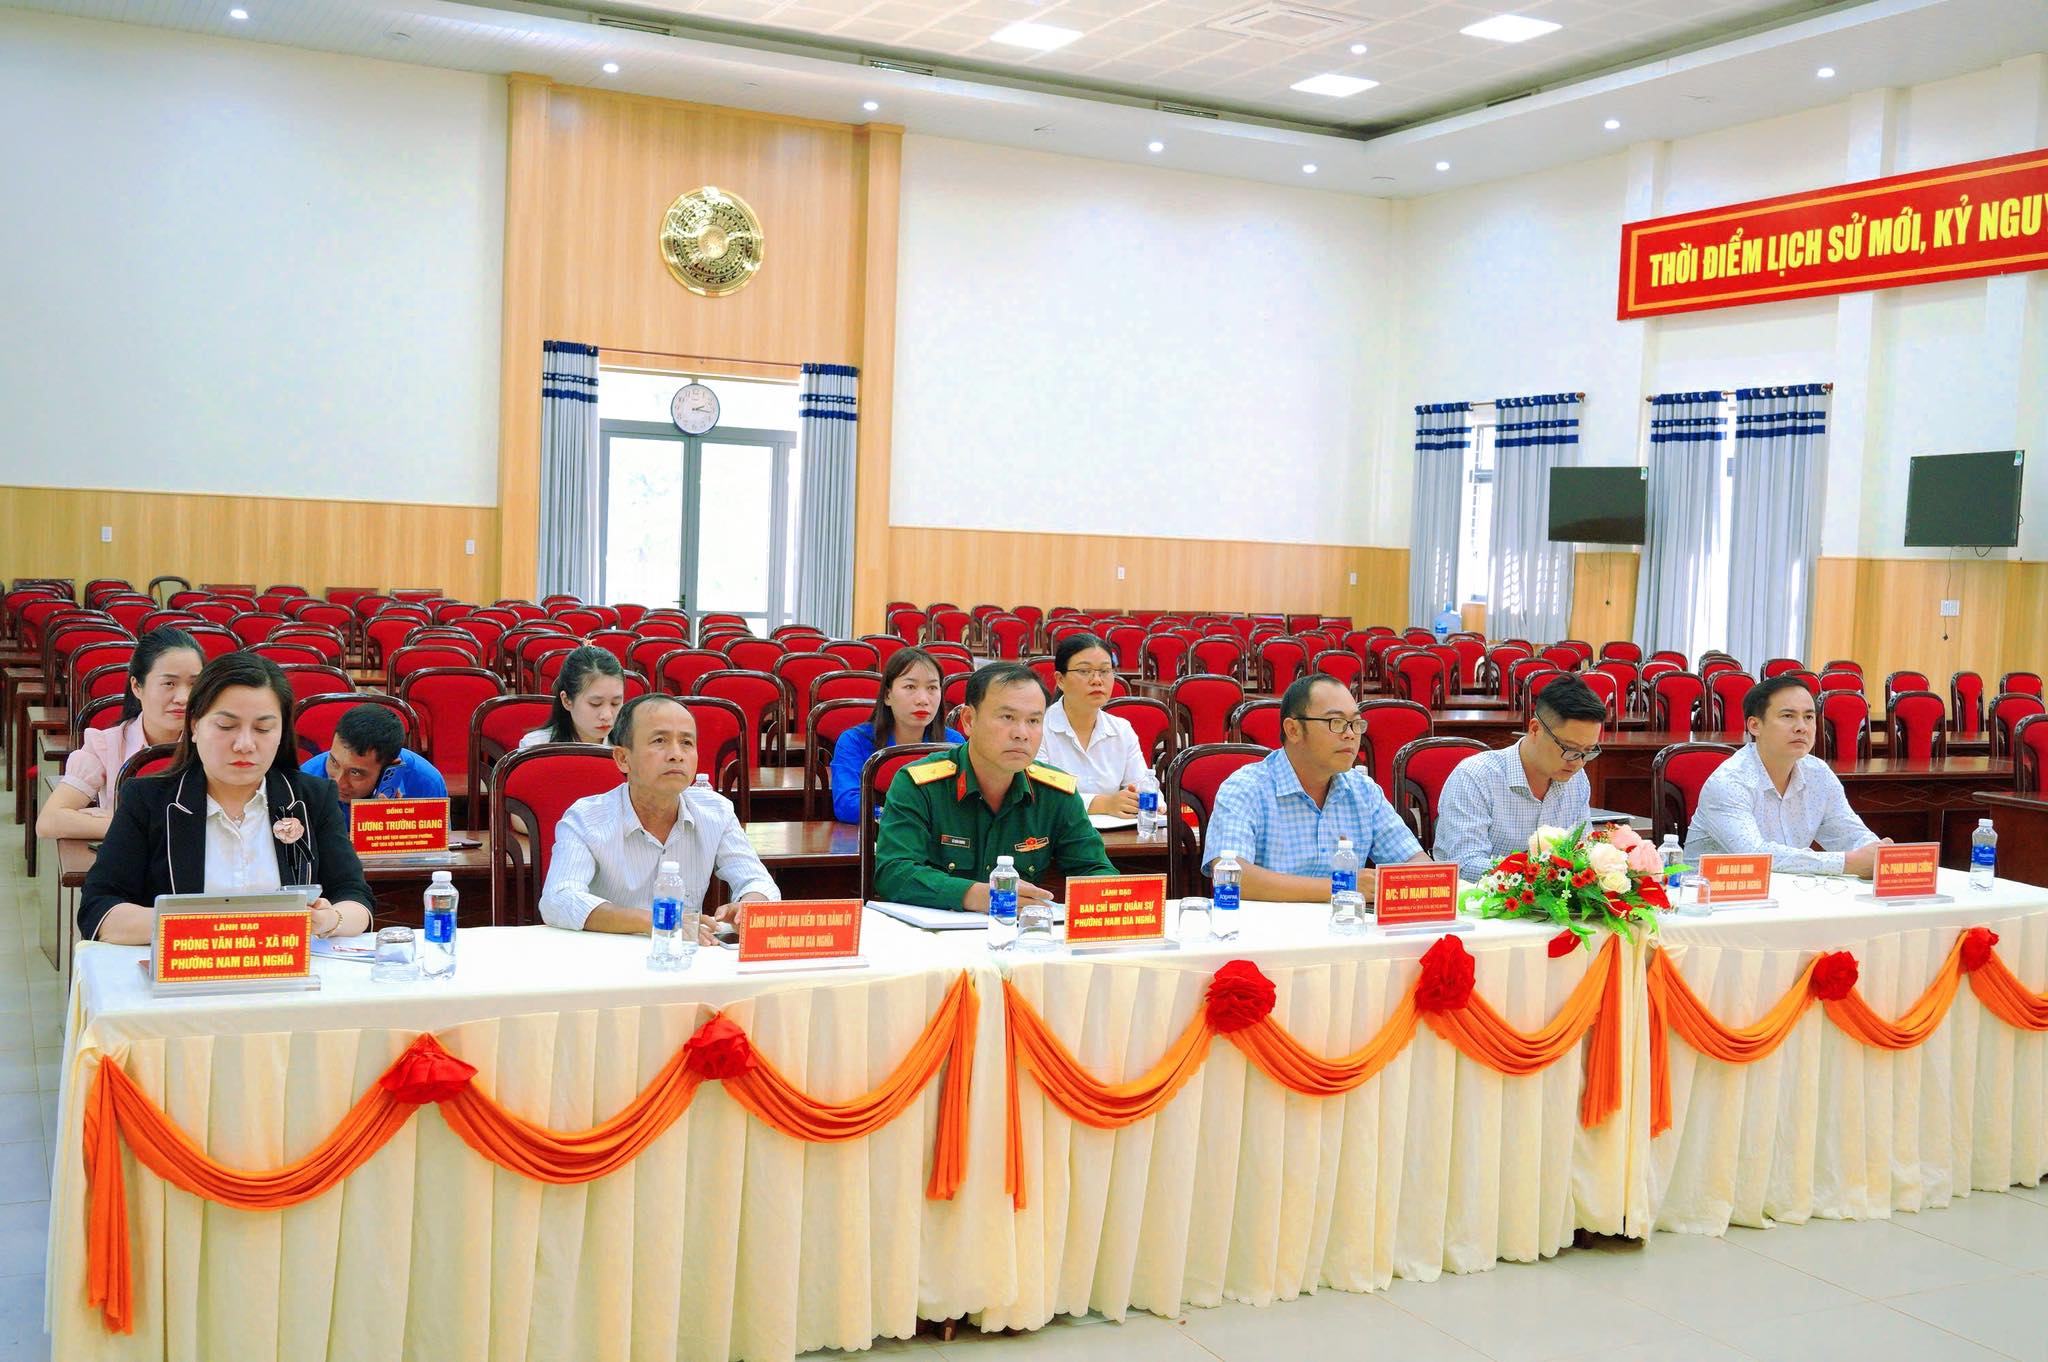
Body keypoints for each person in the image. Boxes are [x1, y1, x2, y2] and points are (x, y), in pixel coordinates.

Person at [78, 652, 374, 945]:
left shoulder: (312, 798)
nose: (244, 744)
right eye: (226, 726)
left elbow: (355, 897)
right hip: (184, 969)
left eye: (263, 729)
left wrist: (329, 920)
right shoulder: (147, 800)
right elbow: (99, 908)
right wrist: (207, 925)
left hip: (286, 968)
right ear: (195, 725)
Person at [873, 661, 1118, 912]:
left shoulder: (1056, 793)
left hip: (1022, 932)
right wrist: (976, 896)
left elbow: (1095, 869)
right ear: (969, 720)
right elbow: (894, 872)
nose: (1021, 733)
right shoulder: (918, 785)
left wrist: (1105, 896)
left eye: (1034, 721)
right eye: (1007, 717)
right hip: (934, 932)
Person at [538, 693, 779, 933]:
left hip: (683, 953)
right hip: (608, 952)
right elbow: (558, 899)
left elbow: (758, 881)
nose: (676, 754)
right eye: (659, 740)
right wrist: (657, 920)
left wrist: (749, 904)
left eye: (687, 743)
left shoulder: (716, 811)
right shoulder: (586, 818)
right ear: (623, 759)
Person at [1204, 674, 1430, 902]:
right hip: (1270, 925)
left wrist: (1422, 879)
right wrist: (1341, 887)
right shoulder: (1245, 788)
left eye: (1356, 724)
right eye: (1336, 722)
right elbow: (1232, 876)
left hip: (1347, 923)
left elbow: (1418, 866)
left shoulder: (1364, 792)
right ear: (1293, 730)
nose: (1350, 734)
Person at [1686, 674, 1887, 877]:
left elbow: (1849, 832)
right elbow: (1754, 855)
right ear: (1755, 726)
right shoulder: (1729, 783)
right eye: (1788, 716)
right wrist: (1848, 863)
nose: (1801, 727)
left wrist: (1877, 853)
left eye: (1808, 717)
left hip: (1786, 890)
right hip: (1712, 891)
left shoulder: (1819, 774)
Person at [1434, 673, 1606, 882]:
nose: (1578, 762)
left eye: (1588, 751)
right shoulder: (1475, 777)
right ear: (1535, 729)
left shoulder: (1577, 780)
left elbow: (1583, 853)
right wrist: (1538, 875)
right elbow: (1465, 866)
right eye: (1569, 749)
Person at [37, 626, 203, 841]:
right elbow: (49, 821)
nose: (183, 697)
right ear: (137, 687)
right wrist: (141, 825)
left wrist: (122, 821)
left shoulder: (214, 743)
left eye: (194, 684)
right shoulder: (106, 745)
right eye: (169, 683)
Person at [829, 646, 963, 824]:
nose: (923, 700)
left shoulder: (953, 743)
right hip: (877, 835)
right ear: (887, 695)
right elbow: (847, 804)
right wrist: (904, 818)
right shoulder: (854, 741)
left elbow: (963, 802)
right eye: (910, 686)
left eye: (932, 687)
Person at [1036, 633, 1148, 816]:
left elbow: (1142, 785)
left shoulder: (1122, 730)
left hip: (1119, 830)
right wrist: (1103, 804)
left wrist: (1148, 802)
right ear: (1060, 680)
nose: (1097, 680)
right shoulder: (1037, 728)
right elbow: (1041, 796)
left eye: (1104, 671)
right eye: (1084, 671)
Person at [300, 703, 447, 803]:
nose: (338, 782)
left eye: (355, 772)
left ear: (390, 768)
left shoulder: (427, 782)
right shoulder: (305, 781)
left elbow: (438, 841)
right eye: (334, 762)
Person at [519, 645, 626, 748]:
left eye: (615, 703)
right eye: (595, 704)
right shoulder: (536, 747)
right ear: (566, 701)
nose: (607, 716)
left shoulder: (630, 746)